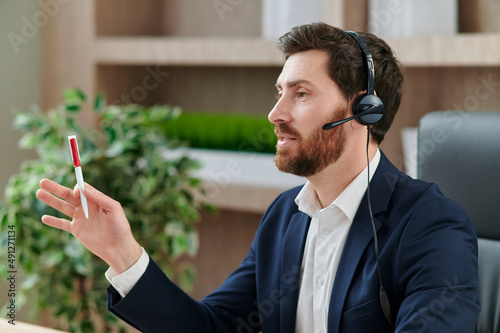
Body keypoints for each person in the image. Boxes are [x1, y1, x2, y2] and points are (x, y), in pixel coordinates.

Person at [36, 23, 480, 333]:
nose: (275, 114)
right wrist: (123, 254)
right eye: (279, 93)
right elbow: (211, 328)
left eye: (301, 94)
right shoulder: (284, 218)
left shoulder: (431, 226)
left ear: (363, 110)